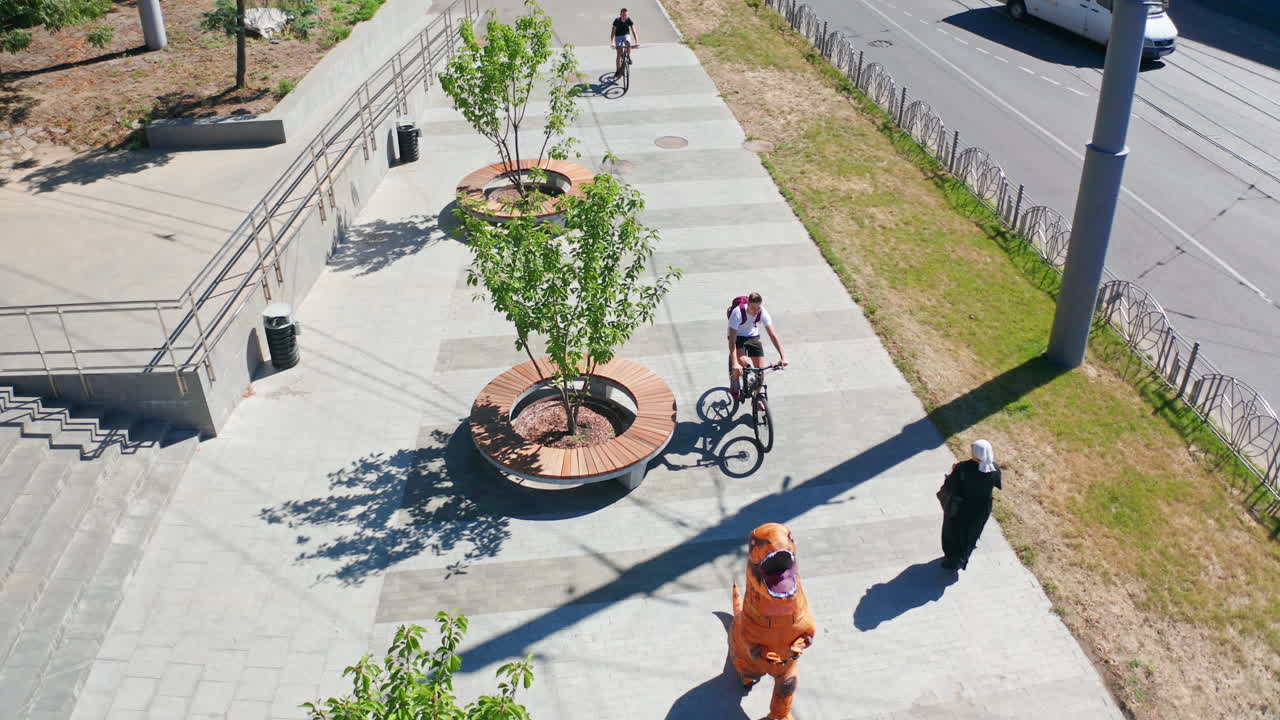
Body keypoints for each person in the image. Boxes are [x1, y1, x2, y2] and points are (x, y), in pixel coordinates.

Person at [939, 440, 1002, 570]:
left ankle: (951, 560)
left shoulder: (962, 467)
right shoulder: (994, 468)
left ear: (976, 453)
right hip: (981, 509)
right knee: (971, 533)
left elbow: (950, 485)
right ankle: (963, 556)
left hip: (960, 508)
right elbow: (997, 484)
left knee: (952, 533)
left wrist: (952, 470)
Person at [728, 292, 787, 399]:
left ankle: (757, 398)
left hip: (753, 337)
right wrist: (735, 363)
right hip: (738, 337)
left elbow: (773, 335)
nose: (756, 311)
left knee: (761, 372)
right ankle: (734, 379)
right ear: (748, 304)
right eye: (753, 308)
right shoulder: (738, 313)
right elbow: (732, 340)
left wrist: (783, 357)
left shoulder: (762, 312)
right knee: (742, 363)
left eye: (758, 308)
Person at [610, 8, 638, 80]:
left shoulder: (629, 20)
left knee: (628, 42)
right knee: (619, 53)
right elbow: (613, 32)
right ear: (620, 14)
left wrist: (637, 42)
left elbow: (634, 31)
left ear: (627, 15)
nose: (624, 16)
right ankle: (617, 70)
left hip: (626, 35)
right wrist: (612, 42)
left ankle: (628, 57)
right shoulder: (617, 21)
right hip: (618, 36)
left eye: (625, 15)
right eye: (622, 15)